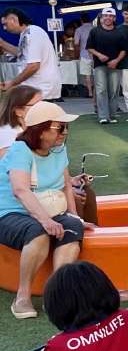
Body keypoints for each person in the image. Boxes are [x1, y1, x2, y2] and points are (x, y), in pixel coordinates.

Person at [0, 102, 85, 320]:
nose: (64, 133)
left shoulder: (59, 149)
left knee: (73, 227)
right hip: (10, 212)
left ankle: (55, 294)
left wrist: (75, 216)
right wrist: (46, 220)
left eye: (66, 128)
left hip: (46, 209)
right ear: (40, 130)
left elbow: (66, 186)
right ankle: (22, 296)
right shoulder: (20, 150)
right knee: (38, 232)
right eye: (59, 128)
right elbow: (20, 190)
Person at [1, 8, 61, 99]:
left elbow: (33, 66)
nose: (4, 28)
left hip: (41, 89)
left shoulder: (32, 33)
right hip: (36, 88)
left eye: (5, 24)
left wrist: (12, 83)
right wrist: (2, 43)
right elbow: (20, 53)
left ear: (13, 19)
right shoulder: (26, 34)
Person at [85, 8, 128, 123]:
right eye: (105, 16)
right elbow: (89, 47)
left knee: (114, 91)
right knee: (101, 90)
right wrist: (99, 55)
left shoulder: (119, 32)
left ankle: (112, 115)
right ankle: (103, 116)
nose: (107, 18)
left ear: (114, 18)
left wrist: (116, 61)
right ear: (101, 18)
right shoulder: (94, 31)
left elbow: (124, 49)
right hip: (99, 65)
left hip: (116, 66)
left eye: (110, 16)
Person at [0, 85, 42, 159]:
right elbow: (10, 163)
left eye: (43, 104)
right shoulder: (7, 134)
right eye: (37, 105)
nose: (44, 108)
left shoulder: (31, 127)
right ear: (18, 111)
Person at [73, 14, 94, 97]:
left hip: (84, 54)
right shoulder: (95, 28)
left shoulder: (79, 30)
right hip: (96, 55)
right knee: (97, 74)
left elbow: (76, 43)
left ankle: (90, 92)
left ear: (81, 20)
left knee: (87, 75)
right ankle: (97, 91)